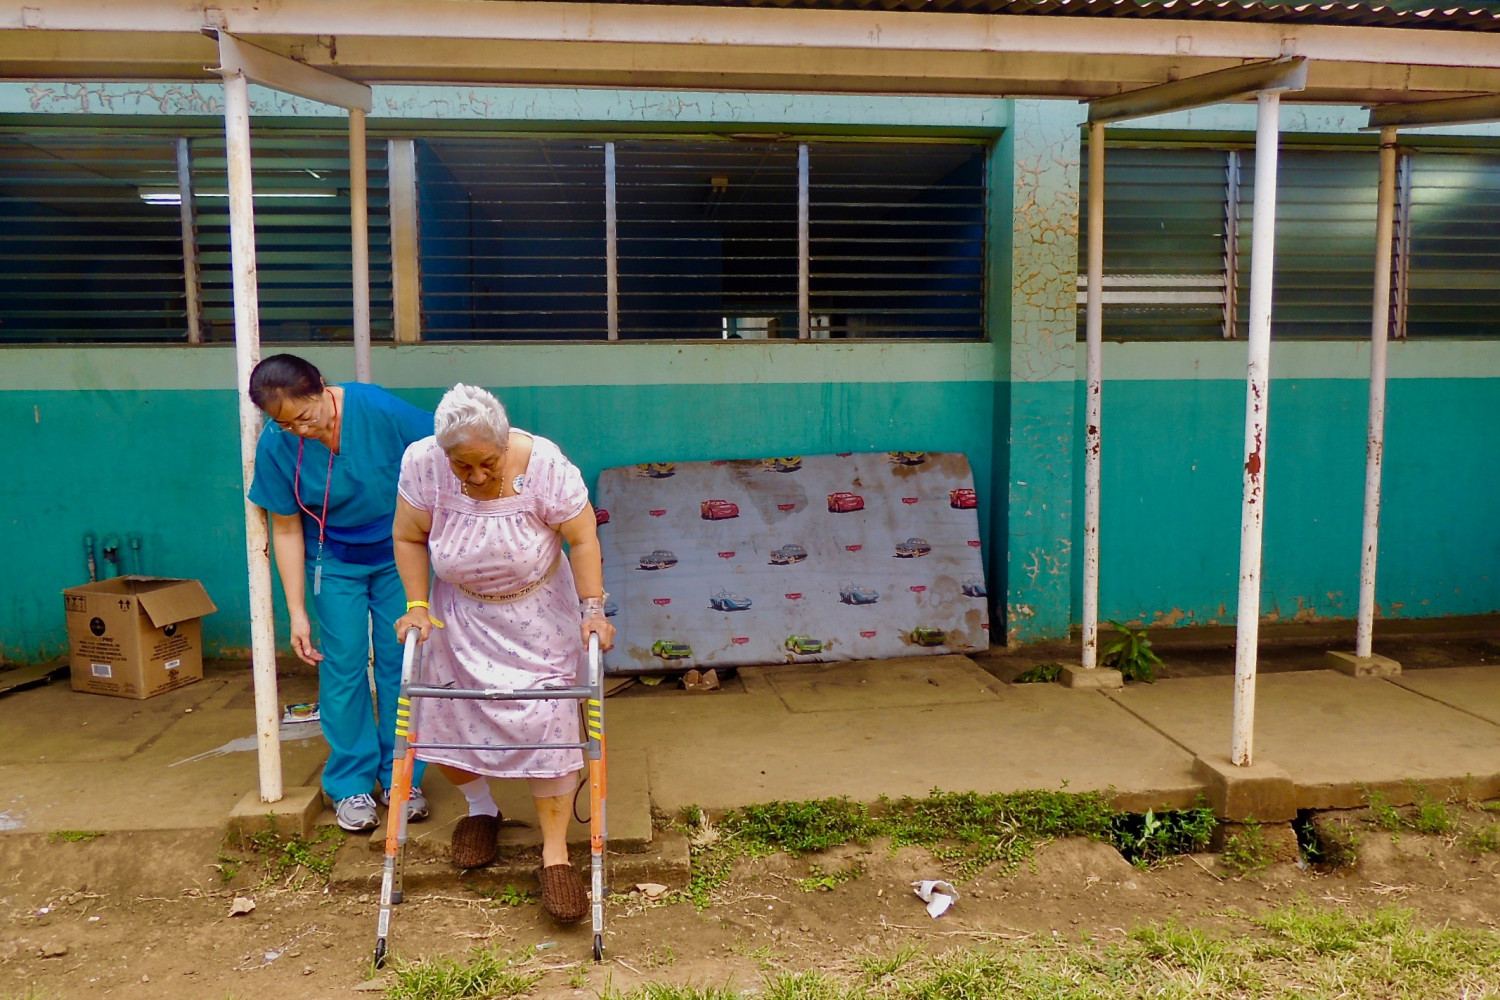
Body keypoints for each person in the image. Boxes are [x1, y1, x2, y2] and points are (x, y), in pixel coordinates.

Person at [391, 384, 614, 924]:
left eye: (485, 463)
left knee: (549, 723)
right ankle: (481, 809)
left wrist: (592, 610)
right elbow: (408, 536)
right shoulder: (422, 462)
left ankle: (555, 854)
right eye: (460, 465)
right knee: (446, 718)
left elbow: (582, 538)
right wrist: (417, 604)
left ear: (503, 441)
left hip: (538, 614)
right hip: (458, 617)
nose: (473, 477)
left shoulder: (546, 466)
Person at [247, 354, 432, 833]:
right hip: (332, 561)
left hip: (399, 553)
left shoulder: (375, 409)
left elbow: (441, 456)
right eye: (287, 425)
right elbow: (285, 528)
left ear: (322, 389)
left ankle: (403, 777)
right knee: (343, 667)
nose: (301, 431)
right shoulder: (277, 444)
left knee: (402, 662)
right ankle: (350, 782)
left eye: (305, 416)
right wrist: (296, 611)